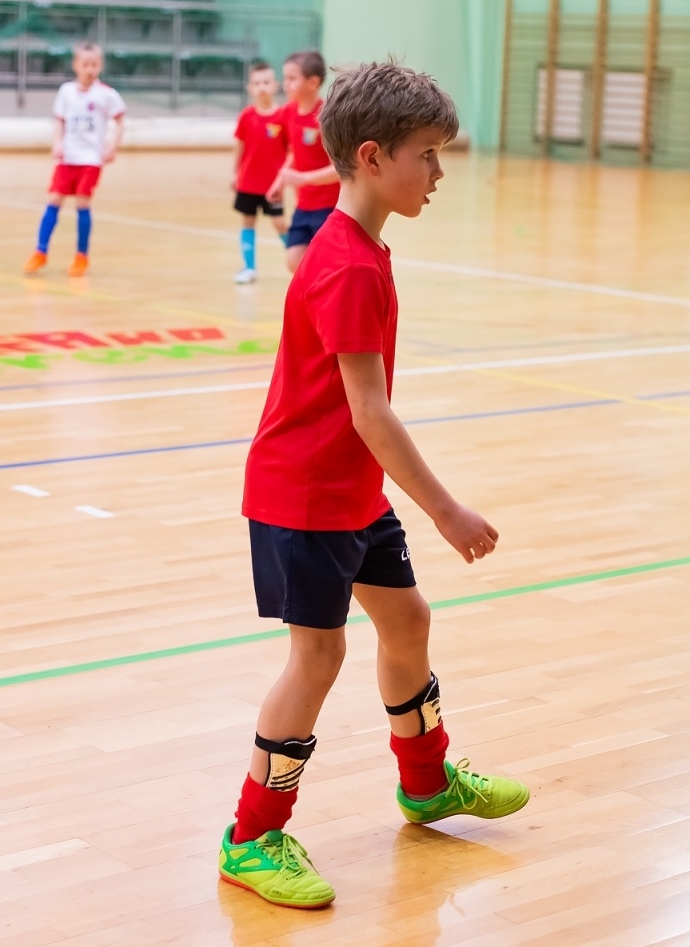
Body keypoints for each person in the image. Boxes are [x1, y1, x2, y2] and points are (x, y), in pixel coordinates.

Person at [218, 62, 529, 910]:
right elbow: (371, 413)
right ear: (370, 156)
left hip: (348, 489)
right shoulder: (348, 265)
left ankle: (426, 784)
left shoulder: (361, 248)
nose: (437, 173)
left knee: (407, 618)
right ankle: (250, 837)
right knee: (318, 655)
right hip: (308, 493)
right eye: (427, 155)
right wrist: (447, 510)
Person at [24, 43, 125, 278]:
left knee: (82, 203)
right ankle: (40, 251)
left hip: (90, 159)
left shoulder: (106, 94)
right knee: (54, 199)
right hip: (67, 156)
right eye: (85, 64)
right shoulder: (66, 91)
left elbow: (120, 121)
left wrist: (112, 147)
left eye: (95, 65)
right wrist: (57, 143)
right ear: (76, 66)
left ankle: (81, 256)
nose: (90, 69)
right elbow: (59, 121)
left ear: (100, 66)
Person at [265, 50, 338, 273]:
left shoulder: (328, 117)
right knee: (294, 261)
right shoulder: (289, 112)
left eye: (292, 78)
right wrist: (279, 182)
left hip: (330, 207)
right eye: (284, 78)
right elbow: (294, 152)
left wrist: (304, 178)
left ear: (313, 82)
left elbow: (342, 167)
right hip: (304, 206)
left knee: (325, 264)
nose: (285, 84)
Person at [231, 61, 290, 285]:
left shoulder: (283, 116)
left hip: (273, 185)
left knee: (279, 223)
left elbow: (291, 149)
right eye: (257, 83)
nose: (262, 87)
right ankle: (249, 268)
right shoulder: (246, 116)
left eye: (266, 82)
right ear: (250, 88)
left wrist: (285, 177)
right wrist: (235, 173)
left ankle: (301, 261)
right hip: (248, 182)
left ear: (275, 85)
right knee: (248, 221)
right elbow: (239, 146)